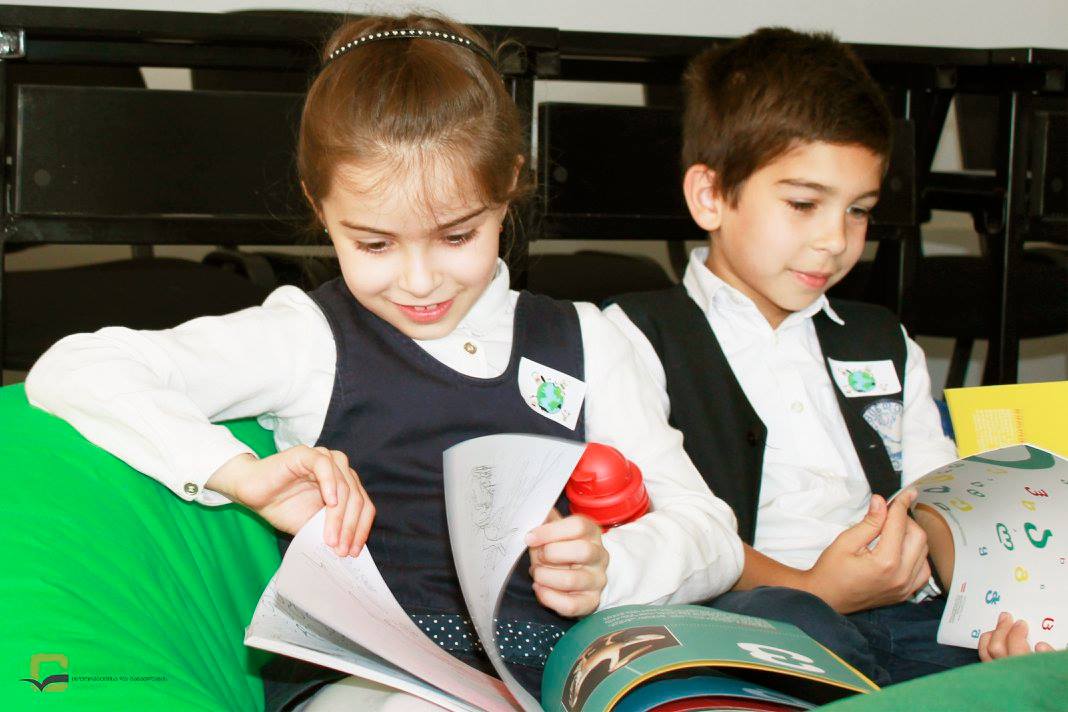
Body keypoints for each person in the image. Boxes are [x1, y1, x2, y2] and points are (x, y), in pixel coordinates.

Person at [25, 13, 744, 711]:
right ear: (319, 207)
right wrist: (238, 474)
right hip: (377, 685)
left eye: (457, 236)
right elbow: (78, 367)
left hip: (570, 678)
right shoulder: (308, 338)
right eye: (374, 244)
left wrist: (613, 568)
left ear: (507, 187)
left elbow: (712, 532)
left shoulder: (589, 339)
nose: (420, 281)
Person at [604, 27, 1052, 686]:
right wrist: (818, 588)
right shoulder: (633, 334)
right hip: (752, 609)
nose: (835, 240)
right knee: (796, 625)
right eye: (804, 204)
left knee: (998, 665)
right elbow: (671, 527)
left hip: (906, 610)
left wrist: (1002, 608)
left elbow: (938, 497)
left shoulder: (882, 339)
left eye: (859, 211)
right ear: (711, 196)